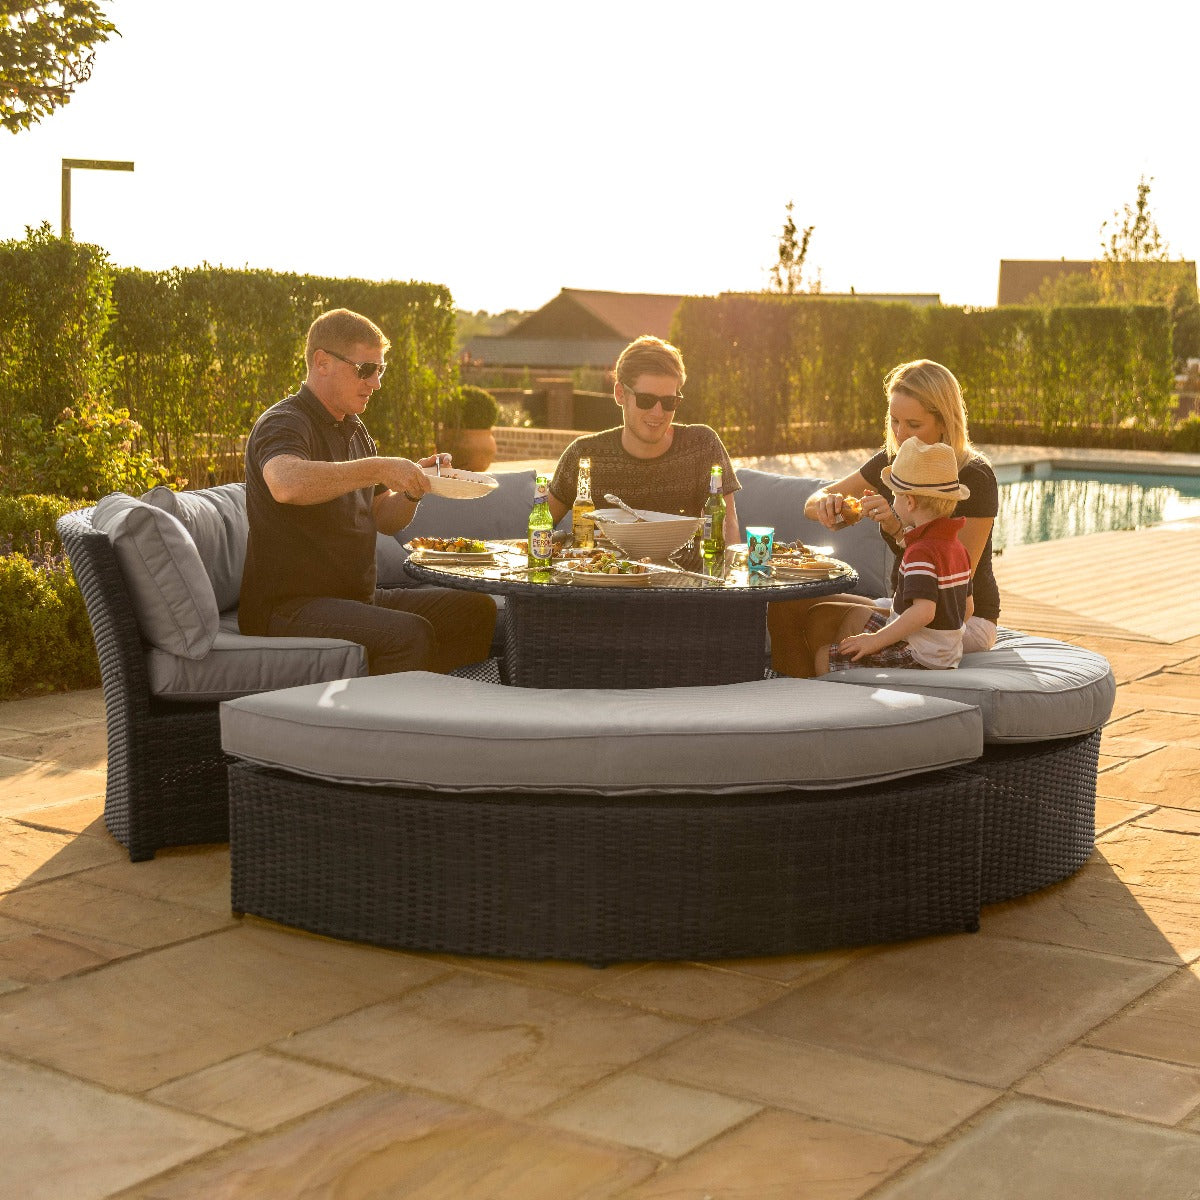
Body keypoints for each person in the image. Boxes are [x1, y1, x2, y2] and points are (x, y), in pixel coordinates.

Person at [239, 308, 495, 674]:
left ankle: (436, 708)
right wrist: (378, 467)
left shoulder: (355, 430)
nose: (375, 382)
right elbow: (286, 484)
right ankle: (385, 722)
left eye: (380, 370)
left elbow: (383, 519)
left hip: (355, 600)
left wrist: (412, 489)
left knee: (475, 610)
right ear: (322, 362)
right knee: (410, 634)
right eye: (365, 369)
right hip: (287, 607)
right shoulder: (285, 421)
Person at [768, 358, 1000, 677]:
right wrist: (831, 505)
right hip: (906, 605)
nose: (901, 434)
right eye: (894, 421)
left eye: (913, 425)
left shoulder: (973, 477)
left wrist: (894, 525)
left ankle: (821, 705)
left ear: (945, 422)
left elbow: (951, 587)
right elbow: (813, 502)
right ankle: (795, 700)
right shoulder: (896, 462)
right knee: (785, 605)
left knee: (825, 622)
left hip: (956, 621)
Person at [547, 335, 740, 547]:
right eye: (646, 400)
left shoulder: (702, 446)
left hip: (685, 578)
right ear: (620, 394)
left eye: (669, 402)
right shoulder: (583, 455)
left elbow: (728, 532)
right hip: (602, 577)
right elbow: (540, 528)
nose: (658, 413)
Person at [818, 438, 972, 674]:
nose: (892, 502)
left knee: (823, 655)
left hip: (918, 654)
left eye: (895, 496)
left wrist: (875, 641)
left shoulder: (920, 552)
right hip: (944, 652)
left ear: (909, 502)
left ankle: (836, 701)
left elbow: (924, 611)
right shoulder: (955, 546)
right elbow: (967, 608)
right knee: (856, 615)